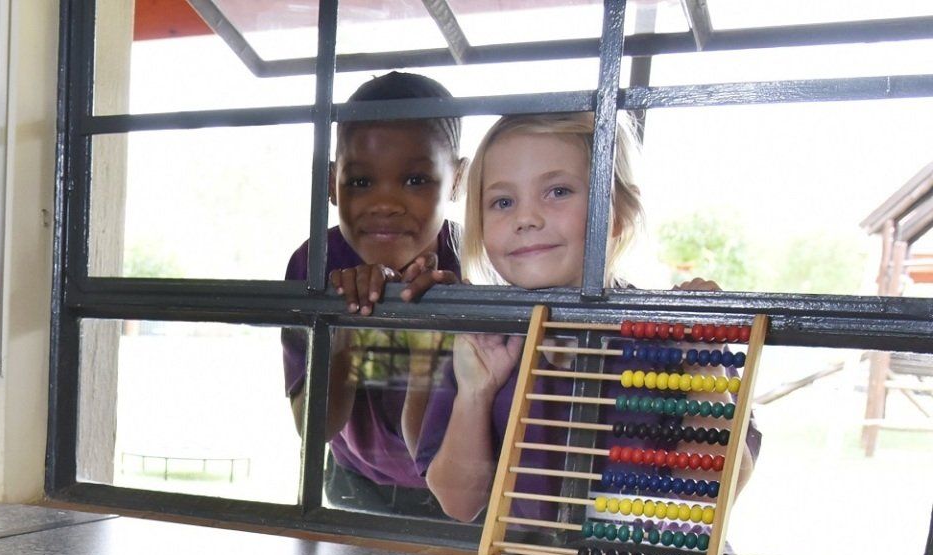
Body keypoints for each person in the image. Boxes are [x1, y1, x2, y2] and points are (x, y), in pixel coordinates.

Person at [416, 112, 758, 522]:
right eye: (502, 202)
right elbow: (459, 503)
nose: (526, 218)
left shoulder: (672, 335)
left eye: (558, 191)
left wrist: (704, 364)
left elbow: (707, 500)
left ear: (620, 213)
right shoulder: (485, 338)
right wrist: (475, 393)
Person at [282, 72, 465, 519]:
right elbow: (314, 426)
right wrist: (346, 329)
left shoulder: (475, 265)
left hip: (464, 492)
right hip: (356, 485)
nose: (385, 202)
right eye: (361, 182)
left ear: (458, 180)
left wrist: (451, 322)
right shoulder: (316, 267)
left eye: (417, 179)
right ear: (331, 183)